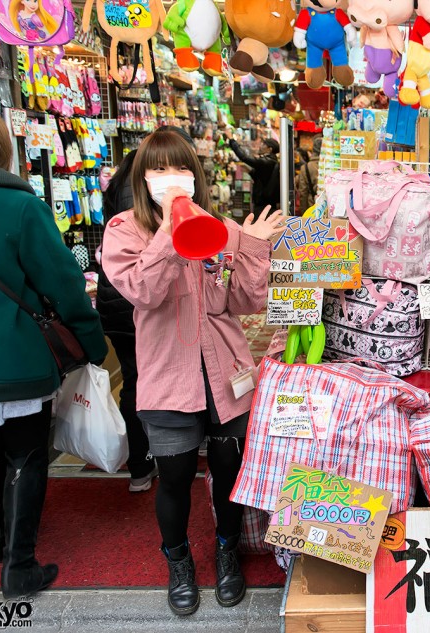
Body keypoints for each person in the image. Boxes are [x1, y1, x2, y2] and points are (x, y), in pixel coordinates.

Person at [102, 129, 287, 616]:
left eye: (179, 168)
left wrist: (250, 245)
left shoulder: (221, 227)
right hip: (167, 376)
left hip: (225, 371)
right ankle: (178, 559)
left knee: (230, 471)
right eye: (158, 169)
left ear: (195, 174)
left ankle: (228, 550)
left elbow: (246, 300)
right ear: (143, 179)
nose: (170, 178)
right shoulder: (124, 229)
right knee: (175, 477)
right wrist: (171, 227)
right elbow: (143, 292)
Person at [0, 101, 107, 598]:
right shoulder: (20, 206)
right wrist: (89, 345)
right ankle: (19, 565)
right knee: (25, 454)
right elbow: (64, 284)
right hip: (14, 358)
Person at [97, 148, 158, 493]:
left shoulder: (117, 184)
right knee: (146, 381)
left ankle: (139, 465)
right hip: (135, 303)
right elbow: (142, 274)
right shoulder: (138, 199)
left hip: (113, 303)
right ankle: (151, 457)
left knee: (134, 381)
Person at [225, 129, 280, 212]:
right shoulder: (271, 161)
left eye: (264, 144)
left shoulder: (267, 162)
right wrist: (250, 171)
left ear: (270, 149)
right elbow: (263, 178)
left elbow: (244, 157)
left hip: (263, 203)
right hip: (265, 202)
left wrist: (232, 140)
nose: (261, 146)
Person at [295, 136, 321, 214]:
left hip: (312, 207)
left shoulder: (306, 167)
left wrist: (303, 213)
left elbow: (303, 193)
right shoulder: (332, 165)